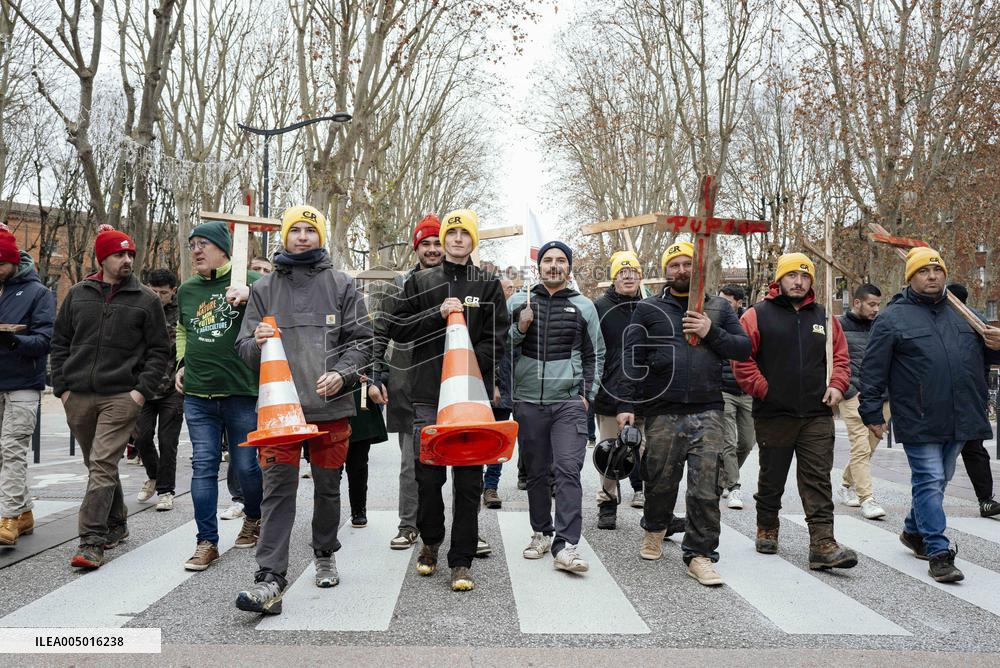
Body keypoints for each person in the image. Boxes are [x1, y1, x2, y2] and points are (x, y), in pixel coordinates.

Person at [234, 204, 372, 614]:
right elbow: (242, 351)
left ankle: (325, 551)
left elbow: (363, 342)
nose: (302, 237)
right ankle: (269, 579)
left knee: (328, 489)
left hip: (331, 408)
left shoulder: (343, 284)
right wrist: (255, 342)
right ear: (284, 237)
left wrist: (344, 376)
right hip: (280, 416)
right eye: (295, 230)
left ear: (321, 237)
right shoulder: (263, 289)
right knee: (277, 492)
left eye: (310, 230)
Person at [386, 209, 508, 592]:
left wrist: (470, 364)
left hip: (471, 400)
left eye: (463, 234)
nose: (456, 240)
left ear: (473, 241)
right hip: (426, 395)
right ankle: (431, 541)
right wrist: (435, 317)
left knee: (469, 481)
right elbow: (398, 329)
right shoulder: (419, 281)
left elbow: (498, 337)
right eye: (450, 233)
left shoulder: (487, 284)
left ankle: (461, 560)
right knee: (428, 477)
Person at [616, 242, 750, 586]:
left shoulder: (718, 307)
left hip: (708, 408)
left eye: (687, 264)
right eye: (673, 264)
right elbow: (632, 358)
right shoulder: (647, 309)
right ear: (666, 270)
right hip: (662, 410)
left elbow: (743, 347)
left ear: (698, 268)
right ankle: (656, 529)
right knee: (660, 481)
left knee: (706, 487)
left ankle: (700, 554)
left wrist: (710, 331)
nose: (680, 270)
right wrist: (627, 404)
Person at [862, 252, 1000, 584]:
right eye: (924, 270)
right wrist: (871, 410)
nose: (932, 276)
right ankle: (938, 551)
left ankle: (912, 530)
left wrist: (996, 346)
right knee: (929, 477)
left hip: (962, 413)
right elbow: (873, 368)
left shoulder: (965, 315)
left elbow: (987, 356)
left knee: (940, 479)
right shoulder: (893, 317)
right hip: (918, 415)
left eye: (938, 269)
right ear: (910, 277)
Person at [51, 226, 169, 569]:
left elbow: (159, 351)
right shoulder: (77, 294)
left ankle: (91, 541)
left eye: (130, 254)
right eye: (119, 254)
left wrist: (139, 392)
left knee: (102, 464)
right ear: (103, 258)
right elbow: (60, 343)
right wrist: (64, 388)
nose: (127, 259)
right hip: (79, 397)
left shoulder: (146, 299)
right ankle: (117, 522)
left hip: (121, 396)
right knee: (97, 464)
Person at [732, 252, 858, 571]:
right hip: (774, 413)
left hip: (817, 413)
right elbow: (742, 358)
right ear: (780, 279)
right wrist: (764, 390)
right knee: (772, 477)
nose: (798, 281)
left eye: (804, 276)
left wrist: (837, 385)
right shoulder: (756, 315)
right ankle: (767, 526)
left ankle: (822, 543)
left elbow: (841, 359)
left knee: (817, 479)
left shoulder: (825, 318)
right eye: (792, 275)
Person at [508, 240, 604, 574]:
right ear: (539, 266)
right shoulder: (520, 301)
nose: (553, 266)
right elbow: (499, 346)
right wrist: (520, 328)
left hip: (568, 403)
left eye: (560, 261)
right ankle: (541, 533)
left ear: (569, 267)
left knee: (567, 469)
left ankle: (566, 545)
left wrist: (586, 395)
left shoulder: (584, 306)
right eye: (547, 260)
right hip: (528, 401)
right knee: (536, 472)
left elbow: (596, 354)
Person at [176, 220, 264, 571]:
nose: (196, 250)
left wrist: (249, 296)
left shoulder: (252, 283)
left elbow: (279, 315)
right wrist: (181, 362)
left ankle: (254, 517)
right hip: (197, 393)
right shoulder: (187, 290)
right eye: (192, 244)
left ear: (224, 249)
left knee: (245, 466)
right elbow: (183, 328)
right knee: (203, 466)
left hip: (241, 391)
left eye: (203, 244)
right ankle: (206, 542)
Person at [370, 214, 443, 549]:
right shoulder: (399, 285)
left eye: (437, 242)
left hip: (452, 382)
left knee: (459, 462)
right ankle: (408, 524)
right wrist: (376, 375)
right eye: (425, 243)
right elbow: (381, 331)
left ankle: (463, 527)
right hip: (407, 383)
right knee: (410, 461)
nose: (432, 249)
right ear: (416, 247)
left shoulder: (461, 283)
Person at [0, 229, 55, 546]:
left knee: (12, 450)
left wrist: (12, 339)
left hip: (23, 382)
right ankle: (24, 512)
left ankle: (8, 517)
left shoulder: (38, 293)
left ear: (10, 261)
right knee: (2, 452)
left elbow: (45, 341)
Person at [593, 250, 645, 530]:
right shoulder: (599, 307)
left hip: (645, 393)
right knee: (612, 450)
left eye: (633, 271)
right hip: (609, 391)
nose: (628, 276)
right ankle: (607, 501)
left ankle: (648, 498)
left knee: (643, 452)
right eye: (622, 272)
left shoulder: (650, 307)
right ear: (613, 278)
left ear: (640, 276)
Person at [836, 283, 890, 519]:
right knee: (860, 446)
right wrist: (847, 390)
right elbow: (832, 360)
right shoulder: (838, 326)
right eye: (871, 304)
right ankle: (867, 498)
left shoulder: (882, 326)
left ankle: (846, 485)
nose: (876, 309)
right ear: (857, 303)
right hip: (853, 394)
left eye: (878, 304)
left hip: (882, 397)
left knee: (869, 447)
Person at [947, 284, 1000, 519]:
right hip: (949, 397)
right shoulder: (932, 320)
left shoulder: (977, 323)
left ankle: (986, 499)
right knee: (941, 454)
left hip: (969, 396)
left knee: (974, 449)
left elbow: (993, 356)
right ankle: (984, 500)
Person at [134, 268, 183, 512]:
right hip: (144, 385)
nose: (157, 296)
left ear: (172, 291)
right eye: (153, 291)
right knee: (141, 438)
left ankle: (166, 490)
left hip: (172, 387)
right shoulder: (141, 307)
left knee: (167, 441)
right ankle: (153, 477)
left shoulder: (182, 311)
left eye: (162, 293)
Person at [717, 284, 755, 510]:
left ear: (738, 302)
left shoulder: (750, 322)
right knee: (728, 442)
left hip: (748, 390)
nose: (721, 303)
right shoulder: (715, 320)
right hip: (724, 390)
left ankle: (723, 478)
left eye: (727, 300)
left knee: (747, 442)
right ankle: (734, 487)